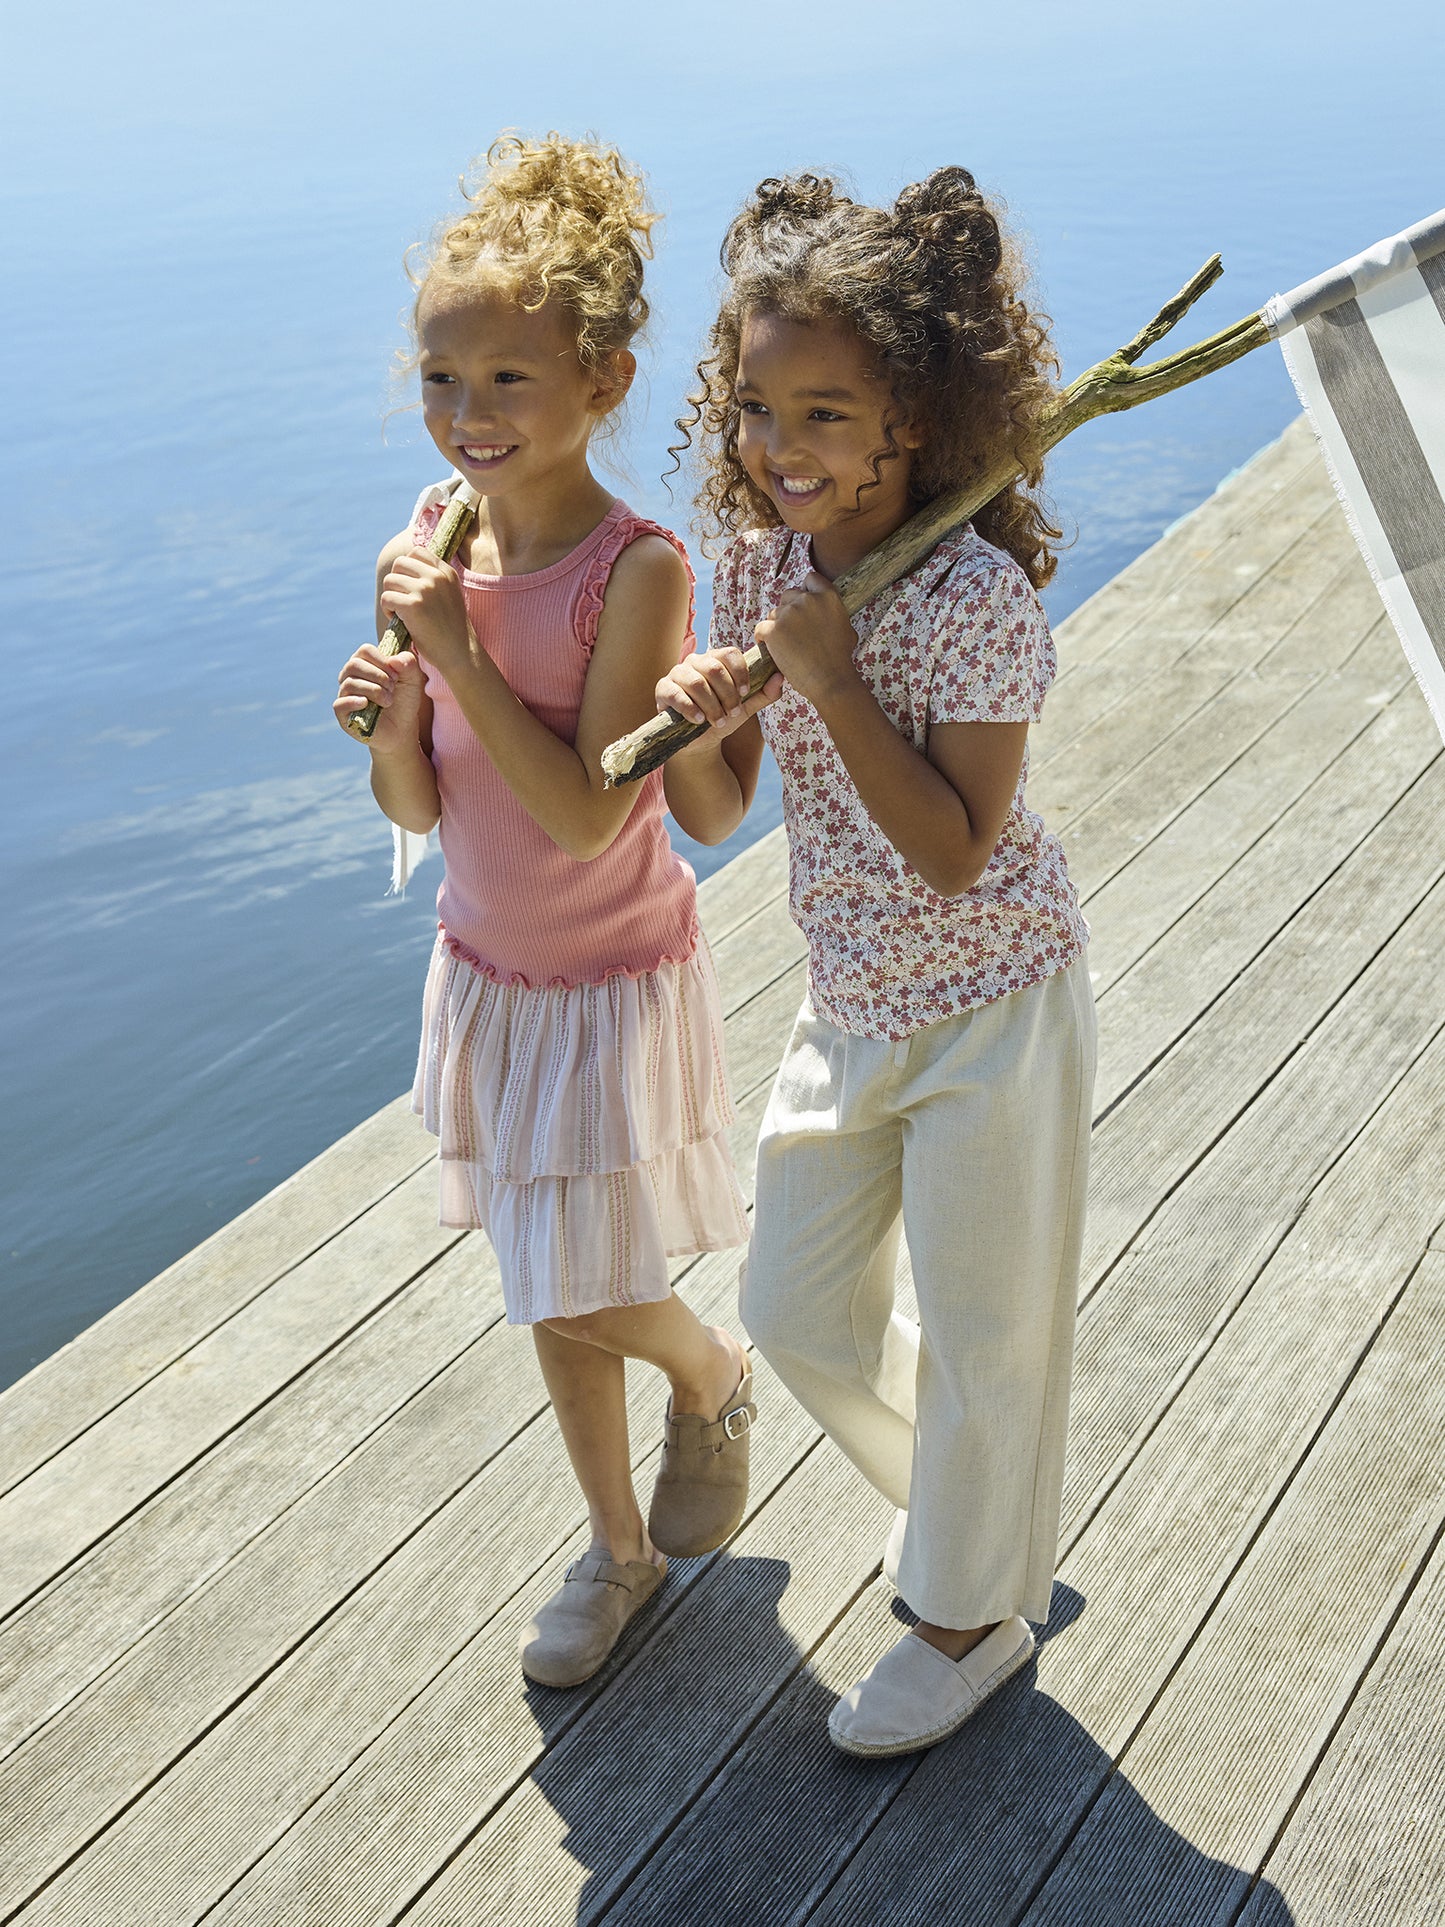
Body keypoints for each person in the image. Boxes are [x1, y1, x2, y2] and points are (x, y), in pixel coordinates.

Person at [658, 168, 1095, 1756]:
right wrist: (702, 719)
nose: (785, 450)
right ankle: (986, 1515)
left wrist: (830, 685)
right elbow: (716, 811)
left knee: (988, 1327)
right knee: (794, 1315)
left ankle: (966, 1610)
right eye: (761, 408)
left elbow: (958, 846)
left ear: (914, 421)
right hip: (844, 1005)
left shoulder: (974, 595)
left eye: (828, 414)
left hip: (992, 1003)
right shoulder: (759, 561)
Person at [334, 134, 754, 1691]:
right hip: (489, 980)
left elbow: (592, 815)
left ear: (602, 382)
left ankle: (708, 1370)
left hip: (604, 980)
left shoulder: (632, 571)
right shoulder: (439, 535)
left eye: (507, 381)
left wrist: (449, 654)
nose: (465, 418)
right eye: (444, 381)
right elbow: (419, 812)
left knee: (567, 1277)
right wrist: (393, 719)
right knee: (547, 1284)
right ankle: (618, 1547)